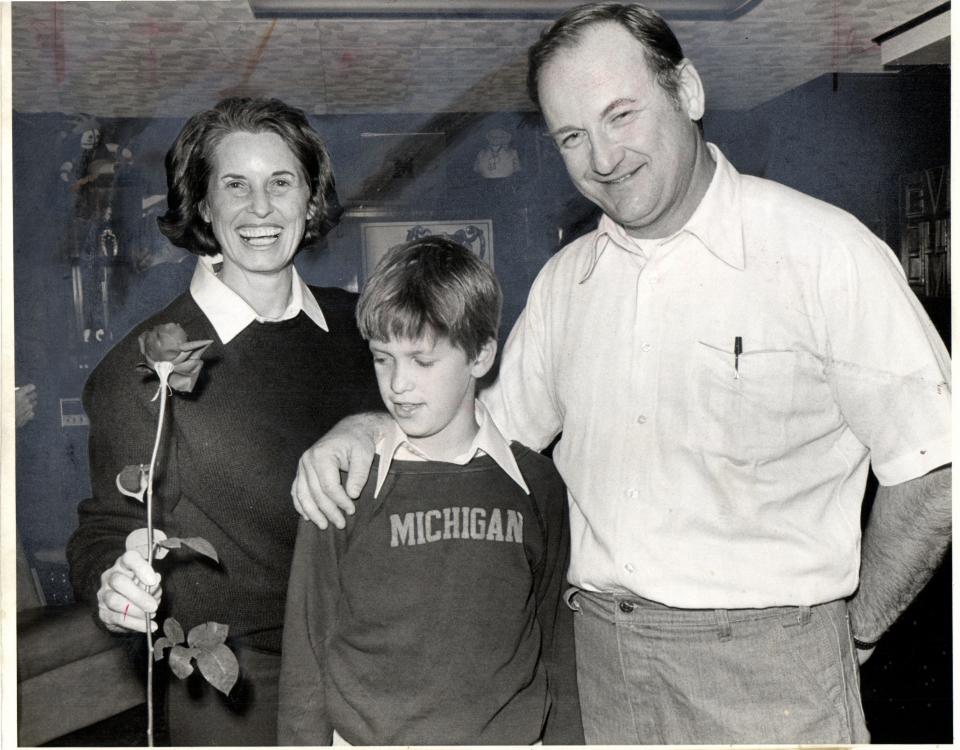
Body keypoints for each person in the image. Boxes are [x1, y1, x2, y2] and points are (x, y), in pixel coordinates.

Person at [289, 3, 952, 745]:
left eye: (621, 115)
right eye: (573, 136)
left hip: (769, 675)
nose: (602, 157)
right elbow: (486, 430)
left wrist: (853, 635)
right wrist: (365, 426)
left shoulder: (825, 253)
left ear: (688, 93)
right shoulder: (567, 283)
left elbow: (934, 467)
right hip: (598, 665)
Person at [66, 97, 380, 746]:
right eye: (235, 185)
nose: (261, 208)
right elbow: (107, 528)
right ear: (202, 205)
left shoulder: (364, 328)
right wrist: (115, 583)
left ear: (309, 199)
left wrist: (374, 422)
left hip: (377, 662)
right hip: (239, 692)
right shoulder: (141, 368)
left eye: (281, 183)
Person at [278, 236, 581, 745]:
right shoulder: (345, 483)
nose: (397, 384)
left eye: (422, 361)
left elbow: (557, 642)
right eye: (382, 358)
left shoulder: (536, 484)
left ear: (481, 355)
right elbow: (307, 650)